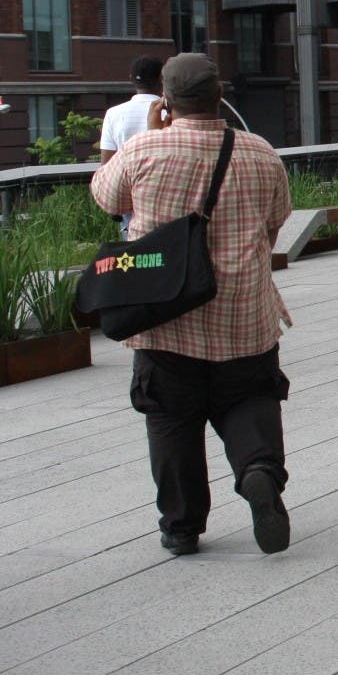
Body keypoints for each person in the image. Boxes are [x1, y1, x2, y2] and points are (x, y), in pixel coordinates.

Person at [89, 54, 293, 558]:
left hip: (163, 315)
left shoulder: (141, 150)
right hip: (243, 312)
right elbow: (276, 220)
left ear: (166, 98)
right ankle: (259, 473)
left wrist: (156, 129)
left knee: (171, 419)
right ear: (219, 94)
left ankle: (181, 526)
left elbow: (105, 197)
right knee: (250, 400)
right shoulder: (261, 152)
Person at [99, 55, 165, 238]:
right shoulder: (170, 111)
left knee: (134, 256)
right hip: (165, 195)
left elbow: (106, 164)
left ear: (131, 78)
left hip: (130, 198)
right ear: (162, 79)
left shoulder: (113, 114)